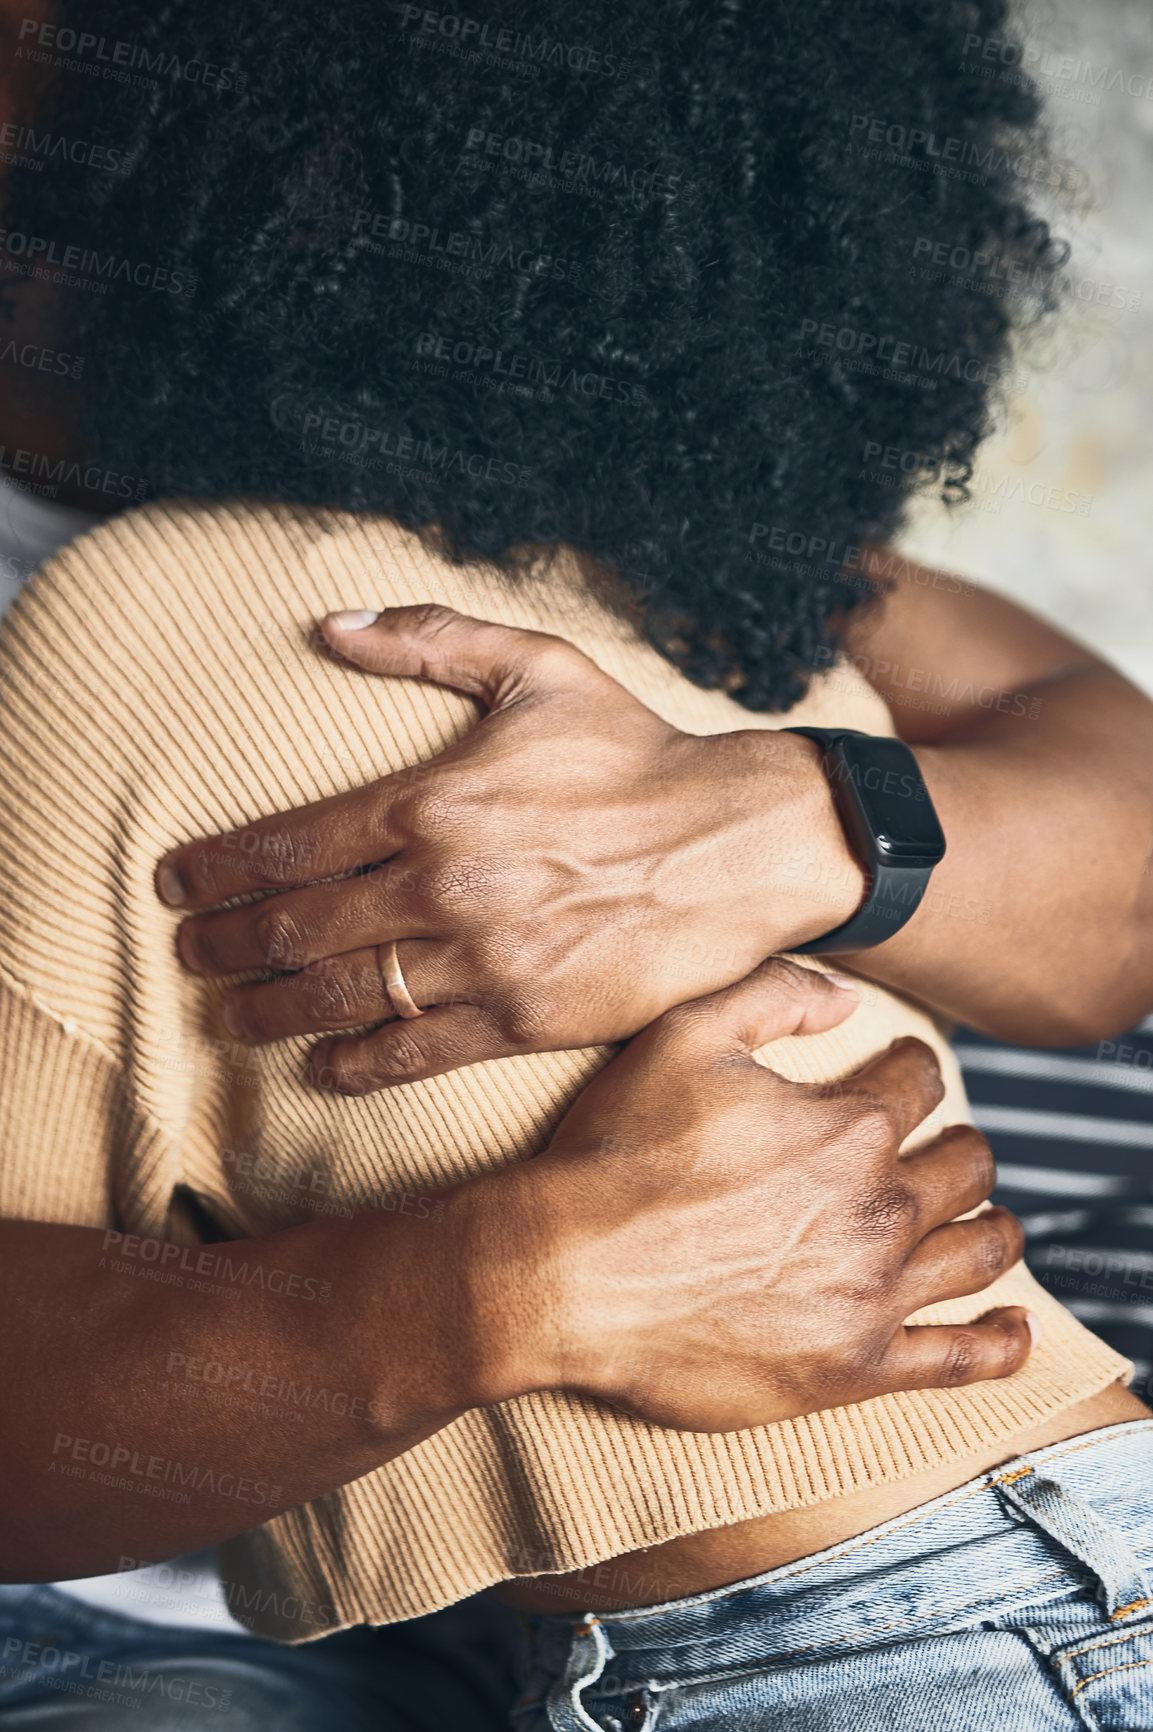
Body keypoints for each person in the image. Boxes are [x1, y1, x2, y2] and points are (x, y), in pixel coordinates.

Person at [0, 0, 1152, 1726]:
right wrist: (508, 1284)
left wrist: (794, 819)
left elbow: (1115, 895)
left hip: (887, 1621)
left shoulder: (624, 527)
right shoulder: (186, 608)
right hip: (225, 1636)